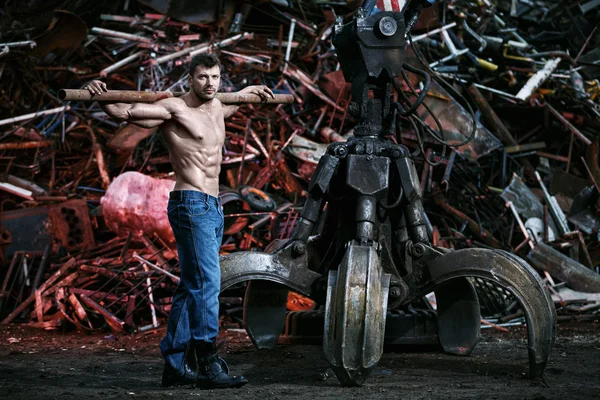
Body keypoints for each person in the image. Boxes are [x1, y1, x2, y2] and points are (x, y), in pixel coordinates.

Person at [85, 53, 274, 389]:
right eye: (203, 77)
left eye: (215, 77)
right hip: (190, 203)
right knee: (208, 285)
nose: (210, 84)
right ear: (190, 78)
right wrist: (100, 95)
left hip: (214, 205)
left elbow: (239, 101)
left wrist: (252, 88)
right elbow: (127, 113)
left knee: (192, 285)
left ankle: (174, 365)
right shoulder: (174, 108)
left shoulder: (219, 106)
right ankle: (208, 365)